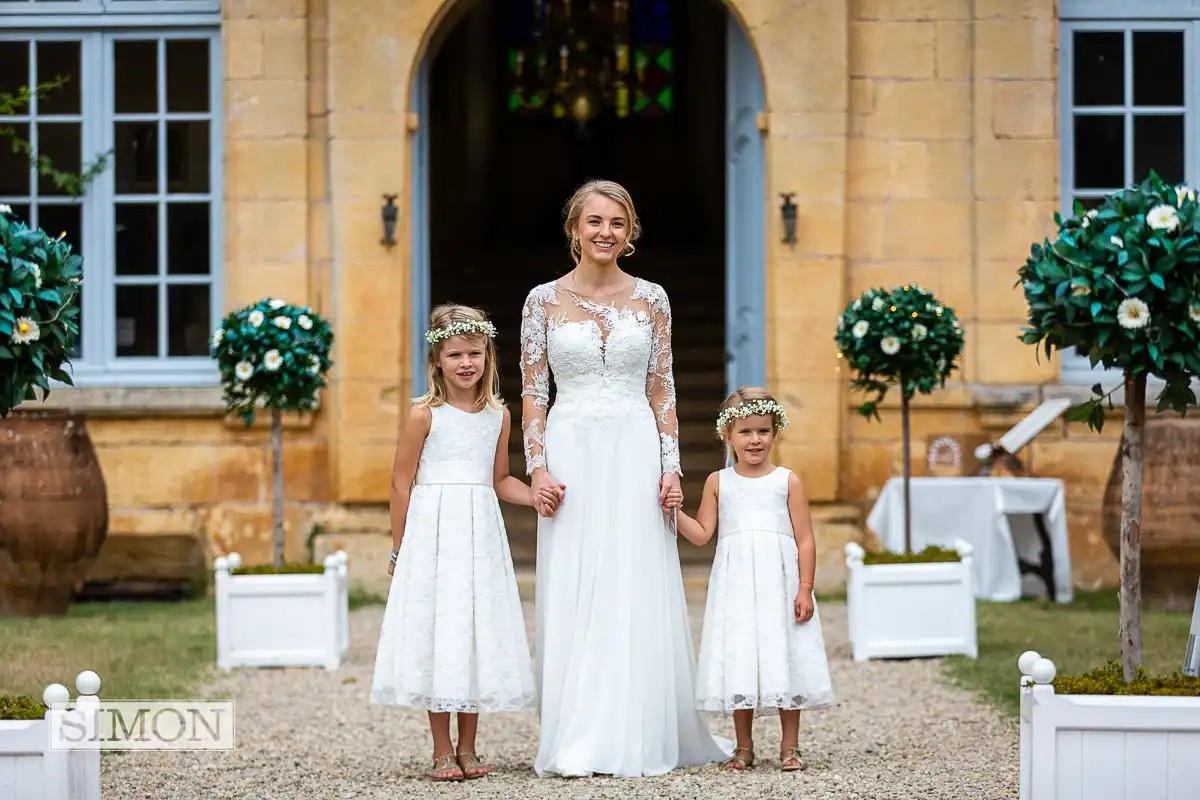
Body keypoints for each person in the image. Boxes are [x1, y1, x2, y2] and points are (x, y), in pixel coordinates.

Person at [519, 179, 730, 778]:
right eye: (594, 222)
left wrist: (672, 468)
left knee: (635, 575)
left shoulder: (654, 299)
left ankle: (638, 725)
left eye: (617, 222)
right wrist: (537, 467)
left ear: (630, 231)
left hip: (636, 446)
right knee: (578, 577)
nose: (605, 232)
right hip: (572, 449)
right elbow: (534, 392)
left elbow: (662, 388)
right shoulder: (541, 301)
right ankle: (578, 728)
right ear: (574, 229)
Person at [370, 304, 553, 782]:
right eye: (455, 355)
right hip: (433, 534)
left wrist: (535, 496)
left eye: (474, 353)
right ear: (438, 360)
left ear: (488, 354)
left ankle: (470, 747)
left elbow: (500, 479)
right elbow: (400, 484)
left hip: (479, 535)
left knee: (471, 630)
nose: (466, 363)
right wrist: (399, 547)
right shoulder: (422, 415)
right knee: (440, 631)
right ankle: (441, 748)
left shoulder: (498, 415)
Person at [676, 387, 835, 773]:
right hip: (737, 586)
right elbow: (701, 534)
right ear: (727, 435)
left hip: (780, 582)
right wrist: (672, 510)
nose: (755, 440)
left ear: (775, 432)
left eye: (763, 431)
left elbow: (805, 538)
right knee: (741, 654)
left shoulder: (787, 481)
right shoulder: (718, 482)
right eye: (745, 432)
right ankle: (743, 747)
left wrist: (804, 587)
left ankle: (790, 746)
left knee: (785, 654)